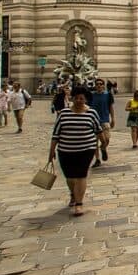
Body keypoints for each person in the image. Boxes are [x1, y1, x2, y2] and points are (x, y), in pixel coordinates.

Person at [49, 85, 103, 216]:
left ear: (86, 100)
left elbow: (98, 129)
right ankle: (73, 193)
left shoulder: (91, 112)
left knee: (81, 175)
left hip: (86, 149)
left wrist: (104, 142)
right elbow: (56, 134)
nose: (79, 100)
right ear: (72, 99)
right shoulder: (64, 113)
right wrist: (51, 151)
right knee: (70, 176)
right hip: (65, 150)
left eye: (82, 98)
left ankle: (79, 204)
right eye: (77, 98)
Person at [89, 79, 116, 167]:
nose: (99, 86)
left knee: (106, 139)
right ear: (95, 86)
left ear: (103, 85)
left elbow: (111, 107)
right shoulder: (91, 95)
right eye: (97, 84)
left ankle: (103, 148)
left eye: (101, 84)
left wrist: (113, 118)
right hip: (94, 121)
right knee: (94, 142)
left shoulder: (108, 95)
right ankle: (97, 159)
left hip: (105, 120)